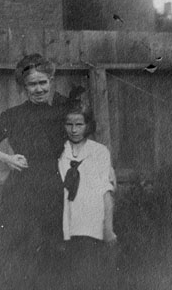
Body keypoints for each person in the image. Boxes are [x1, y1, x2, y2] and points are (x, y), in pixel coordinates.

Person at [0, 54, 71, 290]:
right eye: (32, 84)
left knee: (54, 247)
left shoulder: (65, 111)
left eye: (43, 82)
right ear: (23, 87)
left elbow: (84, 141)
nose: (39, 89)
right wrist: (7, 158)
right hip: (22, 189)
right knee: (17, 246)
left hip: (55, 186)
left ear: (51, 80)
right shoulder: (14, 116)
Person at [58, 104, 117, 290]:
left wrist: (108, 228)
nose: (74, 130)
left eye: (79, 124)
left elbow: (106, 192)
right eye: (69, 124)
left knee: (87, 278)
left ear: (88, 125)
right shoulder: (59, 151)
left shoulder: (99, 152)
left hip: (90, 226)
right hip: (64, 224)